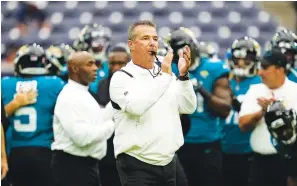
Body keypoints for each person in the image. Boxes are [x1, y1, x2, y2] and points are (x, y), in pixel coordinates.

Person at [109, 20, 196, 186]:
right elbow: (136, 107)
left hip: (168, 162)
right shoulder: (122, 77)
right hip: (137, 164)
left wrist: (184, 77)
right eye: (145, 38)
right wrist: (164, 76)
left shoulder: (166, 73)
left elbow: (189, 107)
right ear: (131, 45)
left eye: (155, 39)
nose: (152, 43)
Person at [167, 27, 232, 186]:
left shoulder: (213, 68)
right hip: (179, 143)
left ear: (193, 46)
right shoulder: (169, 69)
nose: (183, 53)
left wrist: (203, 90)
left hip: (208, 143)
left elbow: (225, 109)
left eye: (185, 48)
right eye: (178, 50)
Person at [1, 43, 65, 186]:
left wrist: (14, 104)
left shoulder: (4, 84)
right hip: (45, 151)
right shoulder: (55, 83)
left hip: (14, 153)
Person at [51, 51, 115, 186]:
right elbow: (82, 137)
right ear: (75, 68)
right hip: (73, 166)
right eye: (89, 64)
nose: (95, 68)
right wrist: (112, 125)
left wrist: (116, 101)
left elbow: (98, 120)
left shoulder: (82, 93)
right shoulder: (69, 96)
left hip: (83, 166)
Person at [239, 48, 297, 186]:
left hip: (288, 161)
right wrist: (263, 112)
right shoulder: (255, 90)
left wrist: (278, 112)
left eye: (265, 67)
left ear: (280, 69)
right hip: (259, 161)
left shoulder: (295, 91)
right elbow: (242, 125)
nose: (260, 72)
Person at [221, 36, 262, 186]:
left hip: (250, 150)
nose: (240, 63)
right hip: (223, 148)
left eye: (246, 59)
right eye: (237, 59)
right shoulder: (223, 80)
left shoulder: (260, 83)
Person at [96, 44, 130, 186]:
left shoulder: (137, 84)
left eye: (121, 63)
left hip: (131, 149)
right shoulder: (102, 85)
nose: (116, 67)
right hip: (108, 150)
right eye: (113, 63)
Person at [264, 100, 297, 186]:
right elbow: (292, 174)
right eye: (279, 131)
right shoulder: (277, 142)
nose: (284, 133)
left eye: (286, 128)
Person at [73, 23, 111, 94]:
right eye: (96, 43)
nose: (100, 46)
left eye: (102, 42)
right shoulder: (76, 69)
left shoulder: (108, 66)